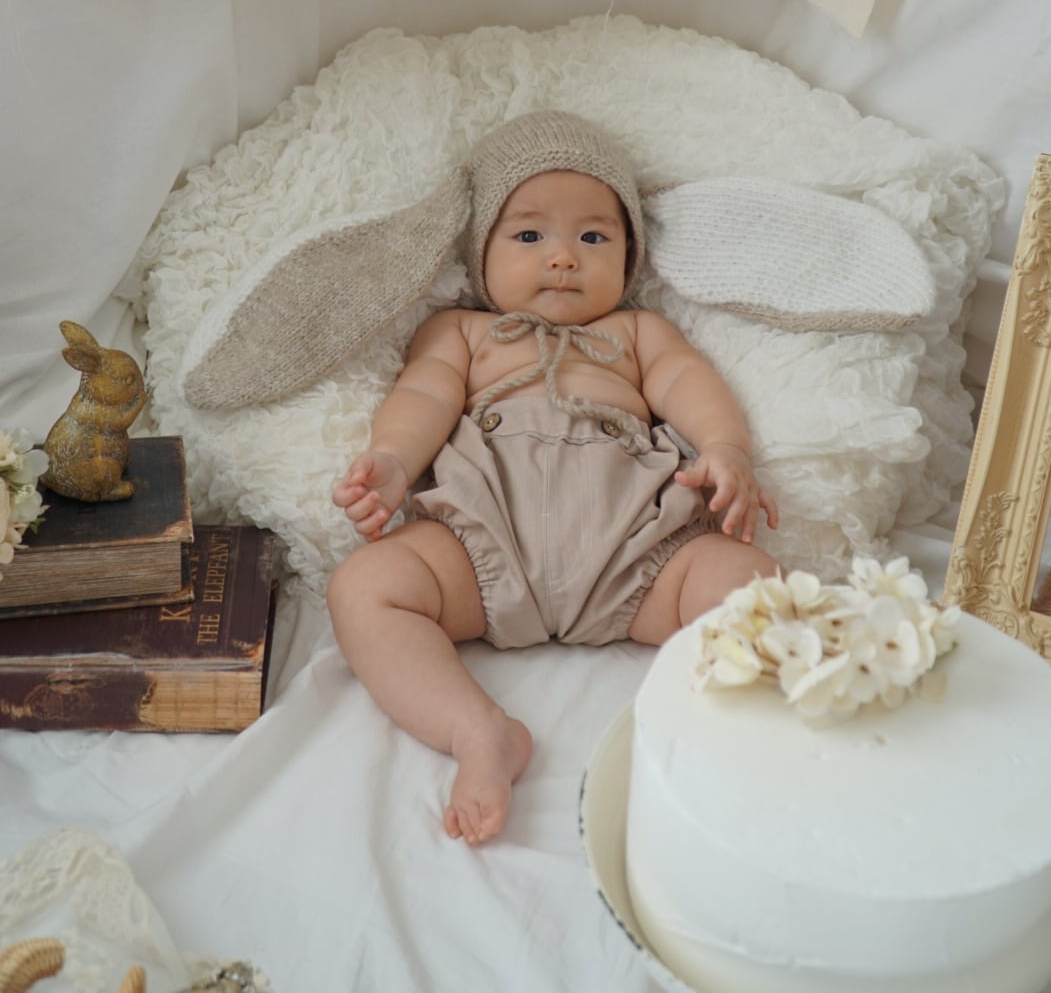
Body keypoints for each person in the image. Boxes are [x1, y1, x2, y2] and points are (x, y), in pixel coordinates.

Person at [327, 111, 778, 845]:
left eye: (593, 237)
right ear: (482, 251)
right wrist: (394, 462)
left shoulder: (636, 333)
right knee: (362, 588)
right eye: (530, 235)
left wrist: (726, 450)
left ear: (629, 255)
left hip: (639, 556)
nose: (563, 257)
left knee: (752, 585)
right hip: (481, 549)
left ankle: (731, 739)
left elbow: (687, 381)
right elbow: (425, 394)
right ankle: (477, 731)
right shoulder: (462, 330)